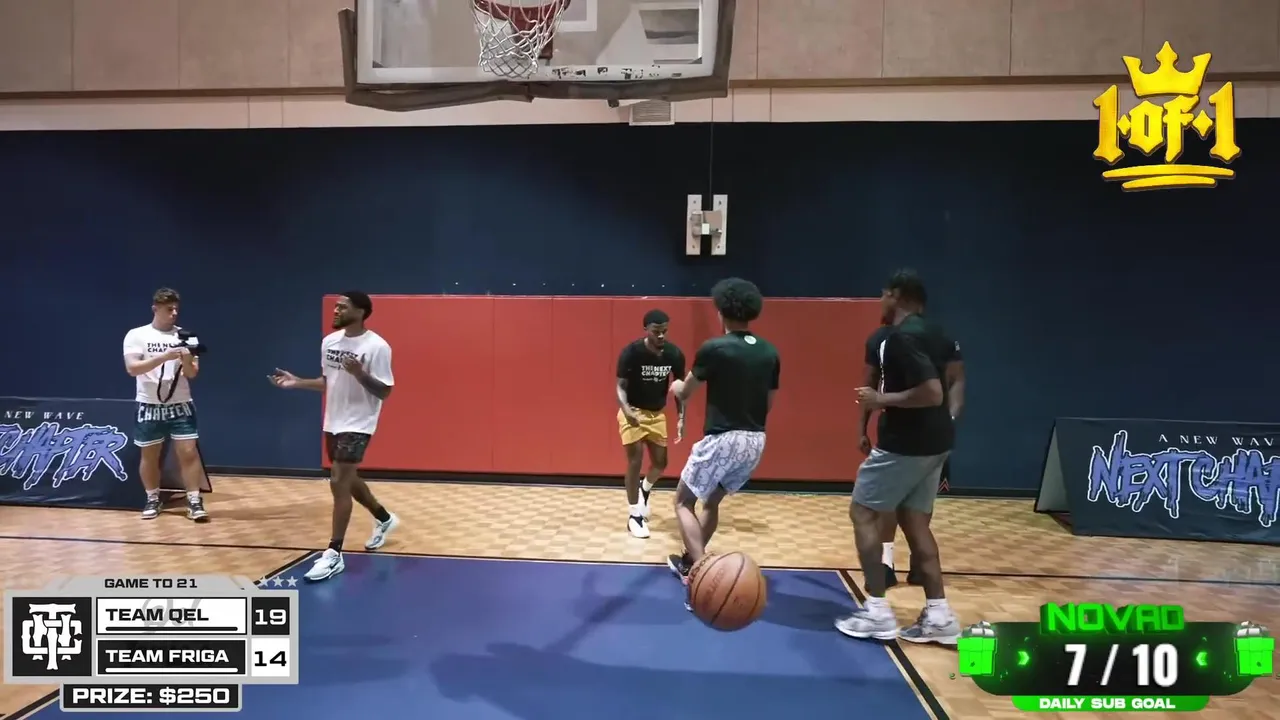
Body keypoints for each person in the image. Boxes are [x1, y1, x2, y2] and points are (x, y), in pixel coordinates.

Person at [837, 269, 961, 645]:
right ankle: (939, 615)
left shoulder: (901, 338)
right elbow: (954, 382)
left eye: (884, 294)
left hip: (905, 443)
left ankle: (876, 611)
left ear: (898, 296)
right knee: (915, 522)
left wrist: (882, 400)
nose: (881, 300)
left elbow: (932, 392)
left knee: (863, 512)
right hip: (937, 443)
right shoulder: (940, 333)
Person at [269, 291, 400, 582]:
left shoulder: (377, 346)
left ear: (361, 312)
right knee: (347, 479)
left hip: (359, 422)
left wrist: (360, 374)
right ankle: (384, 518)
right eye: (336, 306)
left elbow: (384, 391)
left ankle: (334, 553)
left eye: (343, 307)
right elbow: (328, 382)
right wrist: (297, 382)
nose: (336, 310)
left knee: (338, 480)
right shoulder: (329, 342)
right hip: (334, 421)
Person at [665, 278, 779, 588]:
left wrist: (676, 386)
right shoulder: (770, 352)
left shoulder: (715, 348)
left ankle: (701, 574)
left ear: (721, 311)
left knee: (682, 502)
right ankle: (690, 561)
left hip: (723, 438)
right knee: (711, 502)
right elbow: (768, 403)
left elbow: (685, 391)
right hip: (755, 441)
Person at [861, 304, 966, 589]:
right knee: (896, 502)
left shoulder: (938, 339)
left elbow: (956, 379)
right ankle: (887, 562)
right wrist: (863, 427)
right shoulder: (881, 339)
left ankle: (916, 563)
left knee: (914, 505)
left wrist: (949, 418)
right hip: (900, 430)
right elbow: (870, 384)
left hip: (927, 435)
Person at [123, 288, 210, 522]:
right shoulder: (137, 335)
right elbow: (132, 368)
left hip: (180, 402)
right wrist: (164, 356)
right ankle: (152, 497)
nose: (173, 313)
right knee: (150, 454)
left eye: (176, 309)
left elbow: (191, 373)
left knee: (189, 452)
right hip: (149, 403)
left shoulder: (186, 335)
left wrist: (187, 358)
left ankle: (194, 499)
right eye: (169, 309)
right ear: (155, 309)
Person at [615, 309, 686, 538]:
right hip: (633, 412)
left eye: (665, 330)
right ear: (646, 329)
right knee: (635, 461)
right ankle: (634, 516)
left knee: (660, 463)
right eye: (656, 331)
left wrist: (681, 417)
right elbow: (620, 386)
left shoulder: (674, 354)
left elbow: (679, 389)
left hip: (657, 415)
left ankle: (644, 490)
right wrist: (626, 410)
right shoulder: (632, 352)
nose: (661, 335)